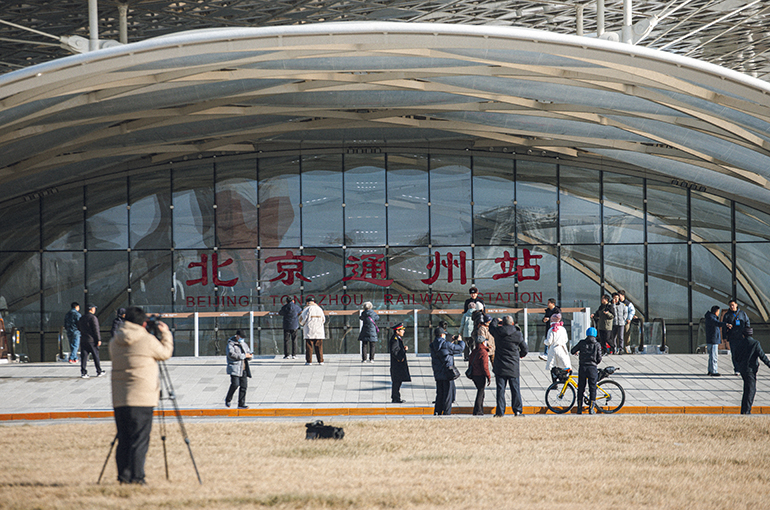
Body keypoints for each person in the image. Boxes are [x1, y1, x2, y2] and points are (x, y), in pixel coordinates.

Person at [109, 306, 174, 484]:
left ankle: (123, 477)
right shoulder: (147, 339)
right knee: (139, 439)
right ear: (143, 322)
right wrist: (166, 334)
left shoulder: (115, 340)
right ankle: (137, 477)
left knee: (123, 438)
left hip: (120, 398)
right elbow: (165, 353)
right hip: (142, 397)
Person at [489, 315, 528, 417]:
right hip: (513, 365)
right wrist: (520, 355)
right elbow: (525, 349)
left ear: (503, 323)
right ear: (512, 323)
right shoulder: (517, 334)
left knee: (500, 390)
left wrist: (496, 319)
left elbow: (491, 327)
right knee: (515, 389)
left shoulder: (497, 332)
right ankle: (517, 411)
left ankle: (500, 412)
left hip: (500, 365)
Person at [733, 328, 770, 414]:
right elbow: (762, 356)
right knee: (751, 390)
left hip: (743, 369)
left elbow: (735, 356)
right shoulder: (755, 343)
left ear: (743, 335)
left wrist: (739, 364)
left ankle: (744, 410)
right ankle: (746, 411)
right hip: (751, 369)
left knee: (747, 389)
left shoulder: (740, 343)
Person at [429, 327, 464, 415]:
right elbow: (460, 348)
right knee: (448, 394)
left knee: (439, 393)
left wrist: (450, 342)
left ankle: (438, 411)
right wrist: (460, 341)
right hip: (447, 372)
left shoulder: (433, 345)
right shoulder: (447, 345)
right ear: (442, 335)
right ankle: (447, 412)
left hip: (438, 372)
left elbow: (443, 350)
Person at [570, 327, 603, 414]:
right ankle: (591, 409)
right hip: (592, 368)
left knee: (581, 388)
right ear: (595, 335)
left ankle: (579, 408)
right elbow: (599, 358)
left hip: (582, 367)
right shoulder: (597, 345)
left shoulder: (582, 343)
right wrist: (595, 362)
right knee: (592, 388)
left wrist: (577, 352)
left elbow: (572, 351)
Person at [225, 329, 252, 409]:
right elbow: (231, 355)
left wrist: (250, 356)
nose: (242, 339)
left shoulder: (244, 344)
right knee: (235, 384)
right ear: (237, 336)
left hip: (243, 368)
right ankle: (228, 399)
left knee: (244, 386)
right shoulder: (231, 344)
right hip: (234, 368)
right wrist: (244, 356)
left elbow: (248, 352)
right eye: (241, 337)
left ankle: (241, 403)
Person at [78, 303, 105, 378]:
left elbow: (79, 327)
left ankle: (83, 372)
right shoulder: (93, 318)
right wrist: (98, 339)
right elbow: (96, 329)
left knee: (84, 357)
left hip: (83, 339)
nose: (95, 309)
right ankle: (99, 371)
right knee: (95, 356)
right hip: (92, 340)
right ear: (91, 309)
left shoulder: (82, 318)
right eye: (94, 308)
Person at [723, 299, 750, 374]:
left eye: (733, 305)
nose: (732, 306)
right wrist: (724, 337)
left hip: (742, 336)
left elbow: (747, 323)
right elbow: (724, 326)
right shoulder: (727, 315)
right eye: (730, 305)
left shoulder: (742, 313)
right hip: (732, 337)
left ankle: (742, 367)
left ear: (736, 305)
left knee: (742, 353)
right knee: (734, 353)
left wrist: (747, 334)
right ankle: (737, 369)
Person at [704, 305, 730, 376]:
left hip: (712, 339)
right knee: (714, 356)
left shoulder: (710, 317)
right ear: (716, 311)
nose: (718, 313)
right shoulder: (711, 318)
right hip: (713, 340)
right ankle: (713, 371)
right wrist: (726, 324)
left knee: (711, 356)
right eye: (718, 311)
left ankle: (710, 370)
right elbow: (717, 323)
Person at [388, 322, 411, 403]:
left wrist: (403, 350)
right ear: (397, 331)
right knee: (396, 382)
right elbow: (394, 351)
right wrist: (400, 358)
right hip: (397, 365)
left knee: (398, 382)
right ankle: (395, 398)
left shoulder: (398, 339)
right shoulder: (395, 339)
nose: (403, 331)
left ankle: (396, 397)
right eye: (402, 330)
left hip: (398, 364)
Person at [299, 296, 325, 365]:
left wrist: (302, 324)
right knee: (319, 346)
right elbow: (323, 320)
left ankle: (309, 361)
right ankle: (321, 361)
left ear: (307, 302)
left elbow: (302, 320)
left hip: (309, 329)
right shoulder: (320, 309)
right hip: (319, 330)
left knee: (309, 346)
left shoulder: (307, 309)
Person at [469, 337, 491, 416]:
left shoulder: (474, 351)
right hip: (480, 375)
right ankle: (478, 410)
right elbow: (485, 366)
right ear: (482, 343)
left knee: (481, 391)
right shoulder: (483, 352)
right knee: (480, 392)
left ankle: (479, 410)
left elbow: (470, 362)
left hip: (474, 374)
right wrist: (488, 376)